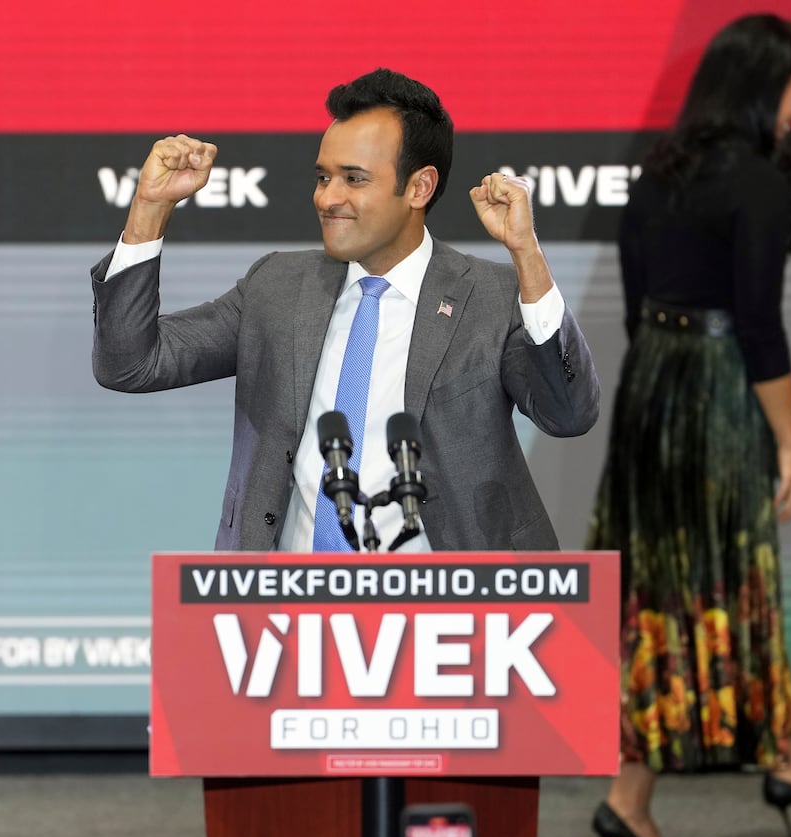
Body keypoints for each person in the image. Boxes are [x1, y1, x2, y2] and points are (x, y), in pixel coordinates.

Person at [586, 13, 791, 837]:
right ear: (761, 87)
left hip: (651, 391)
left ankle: (717, 771)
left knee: (658, 594)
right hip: (714, 391)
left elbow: (639, 307)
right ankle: (715, 772)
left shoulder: (656, 176)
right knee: (728, 578)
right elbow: (758, 326)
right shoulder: (756, 183)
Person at [91, 68, 599, 555]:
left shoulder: (491, 296)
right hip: (289, 605)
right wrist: (150, 208)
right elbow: (131, 364)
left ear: (419, 187)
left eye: (354, 179)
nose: (327, 198)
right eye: (323, 176)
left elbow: (569, 414)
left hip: (451, 610)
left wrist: (527, 256)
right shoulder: (277, 287)